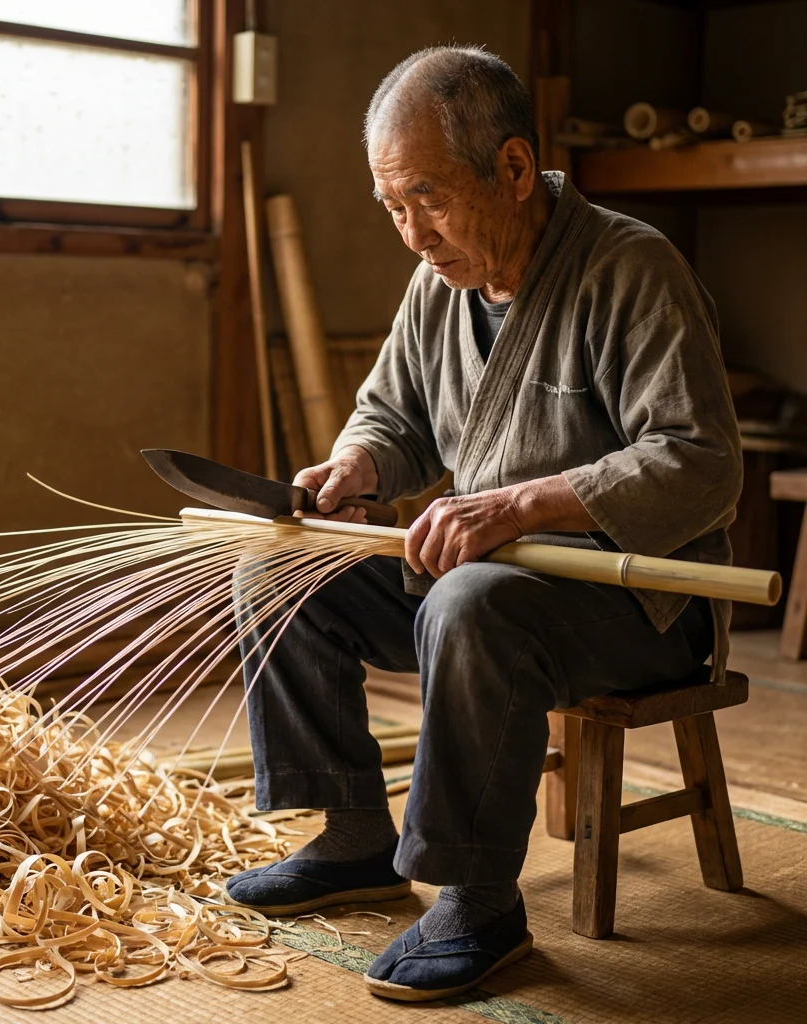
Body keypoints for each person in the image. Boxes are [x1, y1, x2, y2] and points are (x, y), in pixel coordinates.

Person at [225, 45, 742, 1002]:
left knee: (472, 603)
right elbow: (393, 418)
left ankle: (478, 899)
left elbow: (700, 462)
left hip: (637, 602)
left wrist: (521, 503)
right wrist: (356, 467)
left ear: (512, 169)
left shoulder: (631, 269)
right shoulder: (443, 283)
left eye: (427, 197)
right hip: (483, 581)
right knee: (279, 571)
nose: (413, 234)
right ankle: (351, 835)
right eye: (392, 206)